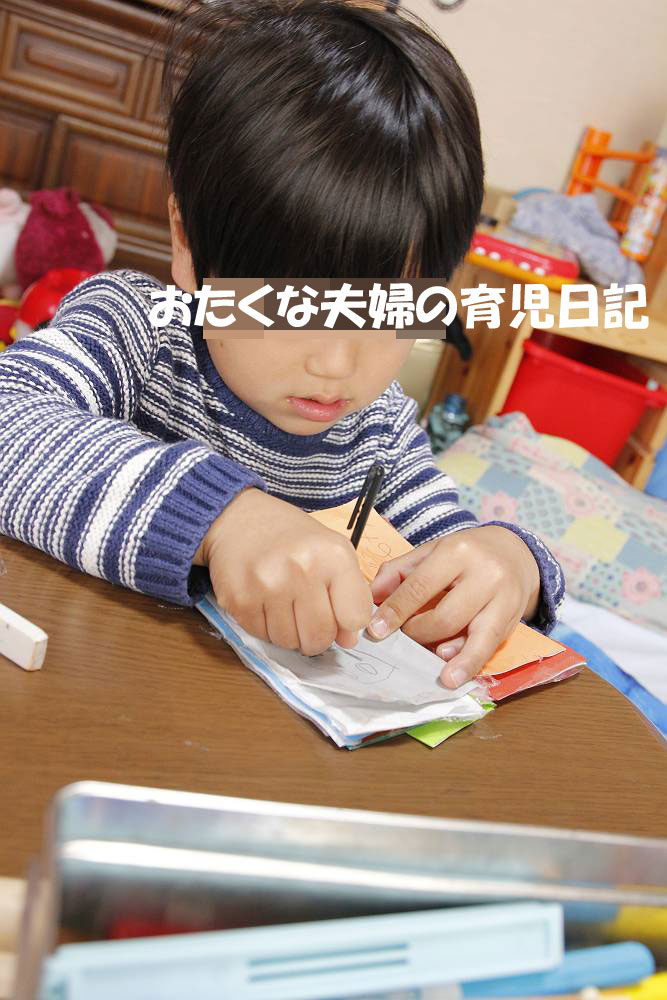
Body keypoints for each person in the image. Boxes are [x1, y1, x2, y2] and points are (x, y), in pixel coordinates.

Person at [0, 0, 563, 688]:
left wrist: (513, 563)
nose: (336, 365)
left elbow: (447, 549)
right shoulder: (136, 329)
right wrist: (220, 519)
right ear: (187, 243)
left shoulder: (380, 429)